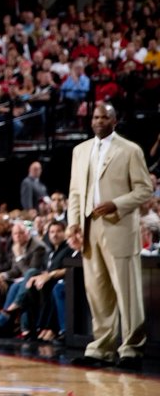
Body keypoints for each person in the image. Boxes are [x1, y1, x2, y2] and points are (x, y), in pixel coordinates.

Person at [66, 102, 153, 369]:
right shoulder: (79, 151)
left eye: (105, 117)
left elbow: (144, 190)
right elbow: (75, 193)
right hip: (89, 227)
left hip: (118, 226)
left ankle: (131, 349)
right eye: (95, 117)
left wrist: (116, 203)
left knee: (127, 292)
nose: (99, 121)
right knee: (98, 292)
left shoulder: (130, 150)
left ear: (115, 121)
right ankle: (100, 348)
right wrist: (73, 225)